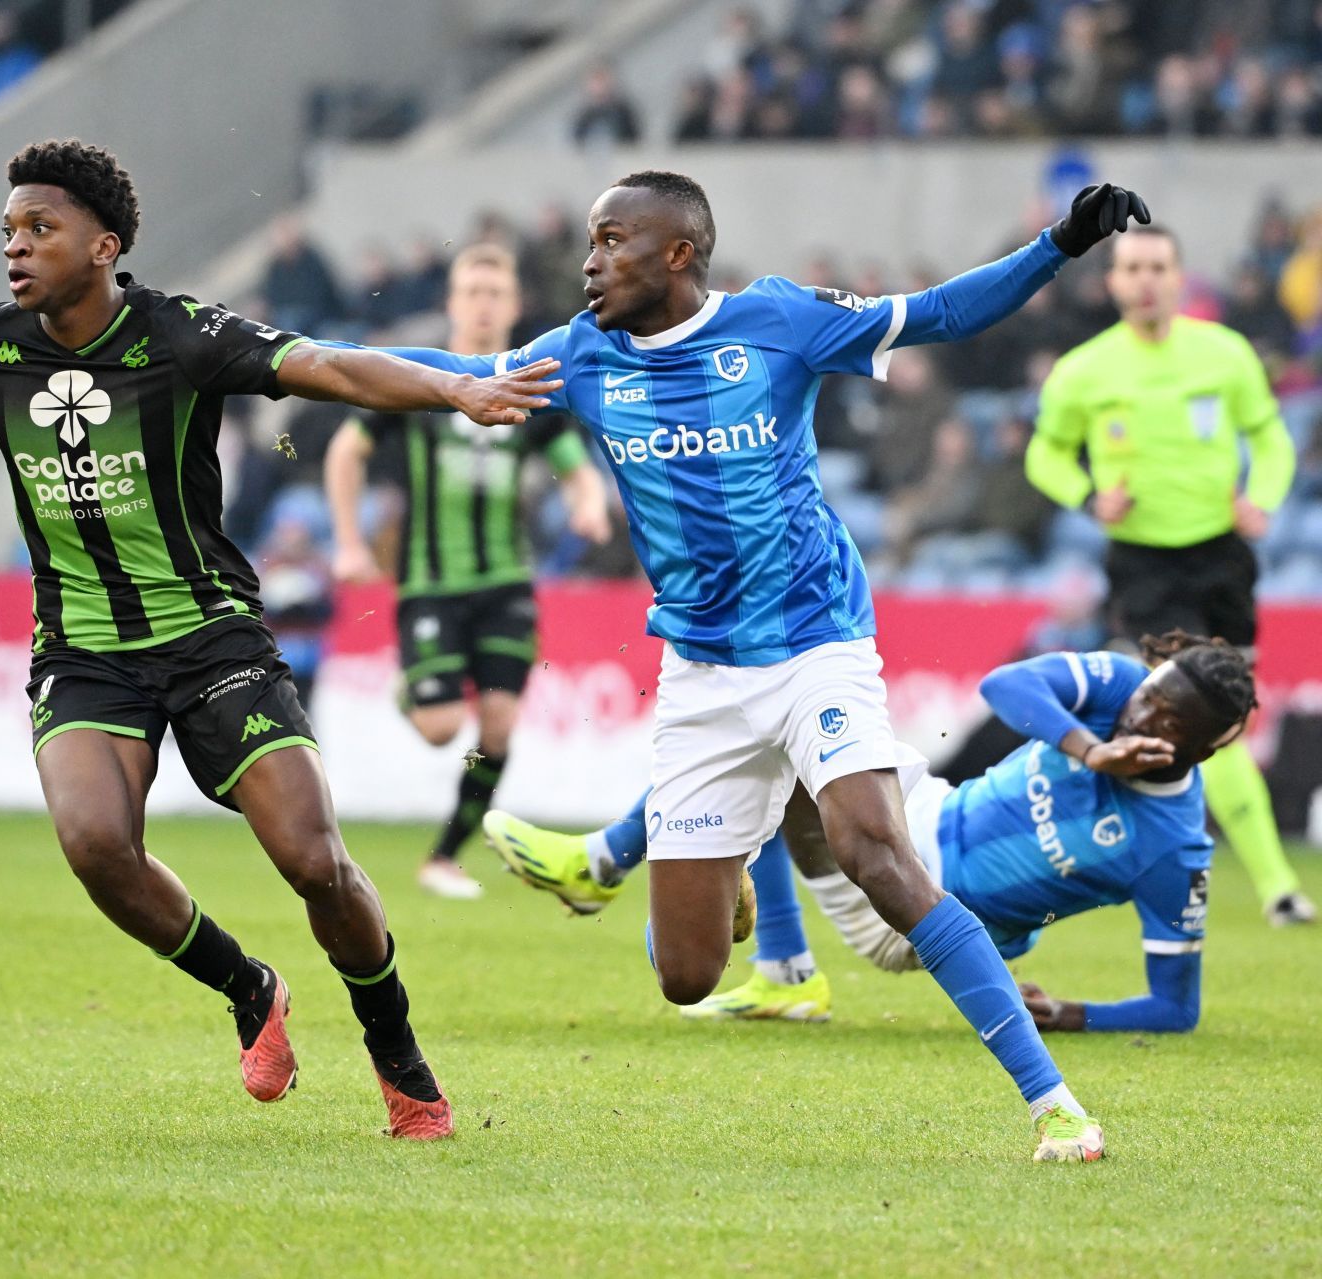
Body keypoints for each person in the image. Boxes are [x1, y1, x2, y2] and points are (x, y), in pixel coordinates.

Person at [0, 139, 558, 1139]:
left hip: (212, 640)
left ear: (103, 245)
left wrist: (449, 387)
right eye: (10, 230)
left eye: (40, 229)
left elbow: (323, 364)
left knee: (314, 861)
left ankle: (397, 1053)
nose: (16, 247)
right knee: (96, 845)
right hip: (83, 653)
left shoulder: (181, 335)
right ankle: (247, 985)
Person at [371, 173, 1156, 1162]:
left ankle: (1056, 1107)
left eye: (613, 241)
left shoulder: (782, 321)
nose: (589, 261)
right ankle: (726, 863)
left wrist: (1059, 243)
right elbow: (441, 367)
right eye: (588, 241)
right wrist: (287, 362)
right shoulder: (580, 354)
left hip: (816, 644)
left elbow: (944, 313)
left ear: (677, 254)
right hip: (702, 675)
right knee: (687, 976)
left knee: (877, 852)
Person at [490, 633, 1255, 1037]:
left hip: (914, 914)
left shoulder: (1173, 850)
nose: (1140, 720)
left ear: (1209, 748)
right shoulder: (1114, 690)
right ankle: (777, 973)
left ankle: (609, 867)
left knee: (782, 754)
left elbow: (1174, 1007)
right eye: (1149, 697)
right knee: (780, 734)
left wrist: (1072, 1014)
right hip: (929, 803)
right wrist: (1090, 749)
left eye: (1167, 724)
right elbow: (1004, 685)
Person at [1027, 224, 1313, 927]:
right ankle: (1272, 883)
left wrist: (1264, 498)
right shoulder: (1085, 370)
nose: (1147, 278)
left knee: (1228, 718)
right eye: (1133, 267)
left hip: (1221, 556)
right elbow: (1046, 454)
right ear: (1115, 281)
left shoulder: (1225, 354)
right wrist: (1090, 497)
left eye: (1158, 265)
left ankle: (1248, 880)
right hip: (1145, 564)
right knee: (1199, 710)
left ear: (1179, 277)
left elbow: (1271, 437)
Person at [324, 243, 610, 899]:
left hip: (507, 583)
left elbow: (576, 467)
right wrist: (346, 541)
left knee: (501, 724)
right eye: (471, 292)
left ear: (513, 306)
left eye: (494, 293)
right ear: (452, 303)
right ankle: (414, 689)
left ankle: (446, 854)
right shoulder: (420, 381)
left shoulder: (531, 387)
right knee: (442, 727)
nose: (482, 305)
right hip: (431, 584)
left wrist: (588, 506)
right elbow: (346, 451)